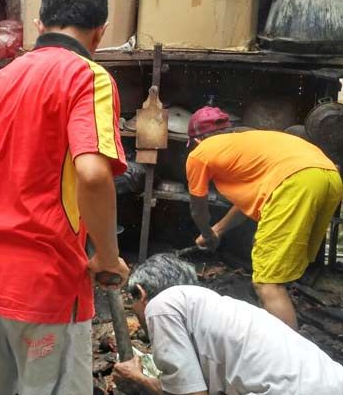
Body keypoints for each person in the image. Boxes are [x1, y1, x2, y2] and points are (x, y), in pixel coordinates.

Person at [0, 0, 129, 395]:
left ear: (39, 25)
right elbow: (91, 173)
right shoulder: (88, 77)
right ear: (99, 33)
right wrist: (108, 257)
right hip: (44, 281)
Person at [185, 106, 341, 329]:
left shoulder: (200, 153)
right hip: (328, 177)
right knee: (279, 271)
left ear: (197, 140)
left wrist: (207, 234)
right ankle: (277, 322)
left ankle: (288, 357)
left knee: (267, 283)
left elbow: (198, 210)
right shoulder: (247, 143)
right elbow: (249, 201)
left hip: (297, 184)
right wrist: (218, 230)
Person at [113, 253, 343, 395]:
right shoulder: (219, 309)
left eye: (133, 303)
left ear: (141, 293)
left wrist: (139, 381)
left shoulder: (162, 304)